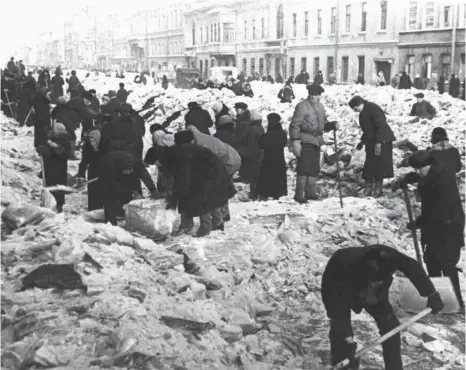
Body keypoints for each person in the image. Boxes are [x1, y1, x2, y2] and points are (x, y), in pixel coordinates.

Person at [322, 244, 445, 370]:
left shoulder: (389, 256)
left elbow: (412, 267)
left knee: (390, 326)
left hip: (371, 284)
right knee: (340, 332)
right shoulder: (343, 277)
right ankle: (342, 364)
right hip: (337, 281)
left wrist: (431, 293)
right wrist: (348, 342)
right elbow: (338, 311)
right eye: (372, 287)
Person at [399, 150, 464, 310]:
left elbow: (437, 210)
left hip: (448, 226)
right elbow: (424, 178)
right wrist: (409, 178)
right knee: (431, 261)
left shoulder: (443, 180)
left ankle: (456, 302)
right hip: (434, 225)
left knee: (447, 263)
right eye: (416, 169)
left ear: (429, 165)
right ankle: (437, 300)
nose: (418, 172)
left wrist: (418, 223)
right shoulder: (432, 173)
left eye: (420, 169)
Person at [152, 136, 232, 237]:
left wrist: (173, 197)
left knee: (200, 197)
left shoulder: (175, 158)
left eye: (156, 163)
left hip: (208, 172)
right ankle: (217, 221)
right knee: (204, 195)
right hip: (213, 169)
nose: (157, 165)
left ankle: (203, 227)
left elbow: (182, 183)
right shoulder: (172, 153)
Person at [289, 84, 338, 203]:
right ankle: (299, 195)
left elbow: (322, 124)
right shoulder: (302, 106)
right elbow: (295, 125)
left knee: (314, 168)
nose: (318, 97)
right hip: (305, 139)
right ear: (310, 95)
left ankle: (310, 193)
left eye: (319, 95)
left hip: (317, 140)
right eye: (316, 95)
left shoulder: (321, 107)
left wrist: (330, 125)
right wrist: (295, 141)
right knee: (304, 167)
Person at [185, 126, 241, 222]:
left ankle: (220, 216)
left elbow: (208, 162)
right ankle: (224, 213)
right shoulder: (204, 138)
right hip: (233, 157)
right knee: (223, 186)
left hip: (228, 161)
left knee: (217, 187)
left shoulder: (202, 143)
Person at [349, 95, 396, 198]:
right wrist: (361, 144)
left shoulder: (373, 108)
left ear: (358, 104)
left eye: (354, 108)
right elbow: (368, 130)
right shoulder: (363, 113)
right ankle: (368, 189)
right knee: (369, 165)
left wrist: (379, 143)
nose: (354, 110)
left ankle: (378, 189)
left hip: (383, 140)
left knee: (380, 165)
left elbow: (381, 125)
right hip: (372, 142)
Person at [99, 151, 158, 225]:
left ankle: (127, 215)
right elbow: (112, 188)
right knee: (110, 197)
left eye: (131, 170)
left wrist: (153, 190)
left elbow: (145, 176)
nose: (129, 172)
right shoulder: (109, 167)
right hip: (108, 171)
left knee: (129, 192)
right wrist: (131, 192)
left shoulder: (136, 164)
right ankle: (111, 221)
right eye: (128, 171)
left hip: (124, 167)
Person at [256, 113, 287, 200]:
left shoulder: (269, 133)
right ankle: (277, 193)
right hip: (279, 157)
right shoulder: (282, 133)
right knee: (278, 176)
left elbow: (261, 143)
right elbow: (284, 142)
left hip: (268, 157)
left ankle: (265, 193)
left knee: (267, 176)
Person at [237, 111, 265, 199]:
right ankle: (261, 193)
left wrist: (244, 153)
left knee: (254, 175)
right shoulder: (261, 128)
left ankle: (254, 194)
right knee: (259, 174)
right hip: (260, 153)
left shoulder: (251, 129)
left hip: (254, 154)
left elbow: (251, 144)